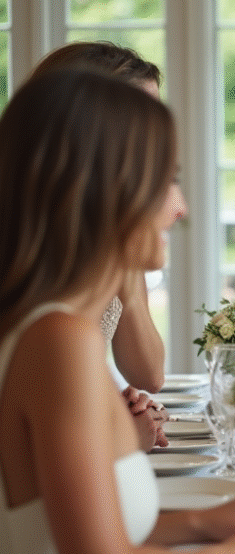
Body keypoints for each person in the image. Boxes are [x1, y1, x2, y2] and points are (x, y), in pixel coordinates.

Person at [0, 69, 235, 554]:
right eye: (167, 180)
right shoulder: (59, 342)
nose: (180, 208)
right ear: (105, 191)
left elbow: (66, 535)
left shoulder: (58, 329)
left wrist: (201, 523)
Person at [29, 41, 180, 451]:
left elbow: (148, 375)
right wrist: (118, 434)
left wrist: (115, 401)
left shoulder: (109, 228)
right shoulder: (26, 242)